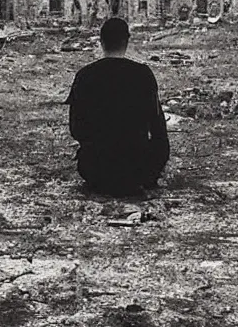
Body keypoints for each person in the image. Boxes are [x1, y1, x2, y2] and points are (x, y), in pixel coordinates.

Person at [67, 18, 170, 197]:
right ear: (127, 41)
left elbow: (76, 129)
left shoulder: (84, 76)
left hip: (95, 169)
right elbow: (158, 130)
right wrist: (153, 169)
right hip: (137, 167)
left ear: (101, 41)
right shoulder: (143, 75)